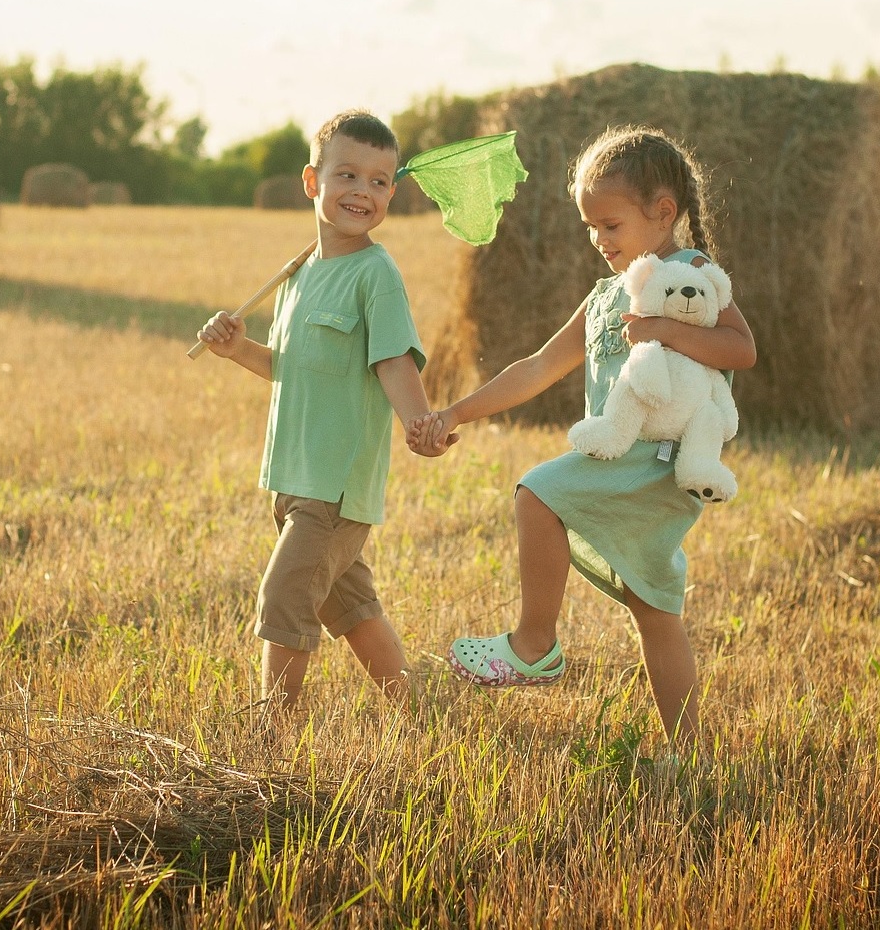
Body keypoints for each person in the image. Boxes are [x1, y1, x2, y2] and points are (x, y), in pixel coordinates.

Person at [407, 126, 756, 757]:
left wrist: (661, 330)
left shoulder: (690, 273)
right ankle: (691, 753)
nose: (599, 241)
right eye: (590, 227)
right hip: (624, 458)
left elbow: (742, 348)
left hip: (657, 463)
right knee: (654, 610)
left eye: (611, 225)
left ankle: (534, 645)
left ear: (663, 213)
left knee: (538, 492)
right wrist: (457, 410)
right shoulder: (604, 298)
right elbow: (538, 367)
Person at [197, 110, 443, 708]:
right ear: (313, 182)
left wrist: (421, 421)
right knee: (349, 605)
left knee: (284, 597)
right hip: (292, 475)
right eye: (348, 175)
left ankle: (271, 736)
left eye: (380, 181)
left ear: (391, 193)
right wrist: (237, 350)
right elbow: (288, 366)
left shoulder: (375, 274)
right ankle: (411, 707)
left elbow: (392, 362)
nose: (363, 191)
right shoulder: (298, 273)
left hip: (334, 485)